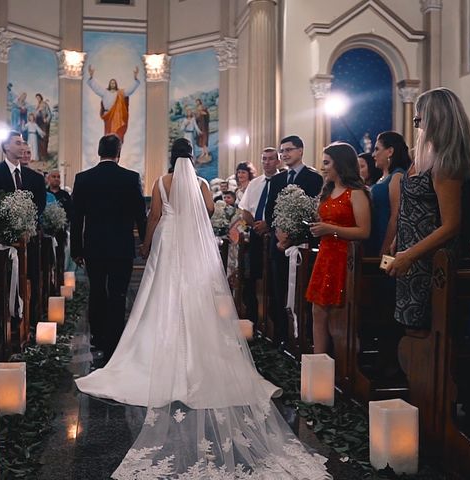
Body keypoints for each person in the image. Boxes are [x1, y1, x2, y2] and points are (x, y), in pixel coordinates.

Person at [76, 138, 330, 479]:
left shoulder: (162, 182)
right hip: (191, 246)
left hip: (168, 242)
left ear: (171, 157)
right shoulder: (200, 183)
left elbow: (152, 216)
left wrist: (148, 243)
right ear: (192, 157)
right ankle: (199, 349)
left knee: (160, 296)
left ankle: (150, 349)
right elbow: (209, 211)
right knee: (194, 294)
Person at [388, 88, 470, 335]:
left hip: (428, 260)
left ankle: (426, 375)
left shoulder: (446, 163)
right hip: (411, 255)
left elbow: (451, 225)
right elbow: (413, 205)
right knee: (410, 331)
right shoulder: (422, 157)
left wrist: (410, 255)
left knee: (423, 333)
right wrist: (399, 239)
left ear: (436, 119)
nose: (417, 125)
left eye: (419, 119)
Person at [70, 134, 147, 361]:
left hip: (94, 245)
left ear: (99, 152)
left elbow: (76, 218)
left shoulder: (83, 178)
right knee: (118, 293)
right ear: (119, 153)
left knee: (96, 290)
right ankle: (114, 341)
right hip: (121, 246)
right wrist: (145, 242)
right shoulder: (130, 178)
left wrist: (76, 249)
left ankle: (97, 338)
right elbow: (140, 215)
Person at [305, 142, 371, 354]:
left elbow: (363, 231)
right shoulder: (328, 191)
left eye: (326, 163)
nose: (323, 167)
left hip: (344, 258)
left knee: (338, 318)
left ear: (340, 164)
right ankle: (318, 367)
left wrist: (328, 228)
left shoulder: (356, 193)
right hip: (325, 256)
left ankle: (344, 371)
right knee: (318, 312)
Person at [268, 135, 323, 348]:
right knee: (278, 291)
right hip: (278, 245)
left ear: (300, 151)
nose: (285, 154)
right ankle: (281, 335)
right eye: (282, 151)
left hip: (302, 246)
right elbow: (269, 211)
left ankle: (302, 337)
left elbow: (312, 211)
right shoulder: (277, 179)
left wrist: (293, 236)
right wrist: (278, 234)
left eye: (289, 150)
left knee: (301, 292)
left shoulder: (313, 178)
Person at [238, 148, 281, 325]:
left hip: (275, 234)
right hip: (256, 234)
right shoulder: (255, 184)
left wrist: (268, 224)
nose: (267, 162)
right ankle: (252, 319)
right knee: (251, 276)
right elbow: (245, 208)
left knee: (273, 279)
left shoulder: (283, 181)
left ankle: (273, 318)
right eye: (264, 159)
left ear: (278, 161)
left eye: (271, 159)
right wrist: (255, 224)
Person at [366, 132, 411, 256]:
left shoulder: (397, 176)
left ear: (390, 151)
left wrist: (385, 248)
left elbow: (396, 215)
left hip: (385, 235)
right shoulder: (382, 177)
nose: (373, 154)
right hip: (374, 235)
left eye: (377, 149)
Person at [0, 130, 46, 215]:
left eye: (23, 143)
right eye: (18, 143)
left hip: (29, 226)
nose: (22, 147)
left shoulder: (36, 177)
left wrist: (27, 220)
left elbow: (40, 204)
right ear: (6, 146)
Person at [87, 65, 140, 142]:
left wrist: (135, 78)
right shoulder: (105, 92)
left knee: (117, 134)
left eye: (114, 83)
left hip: (117, 117)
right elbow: (96, 88)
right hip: (108, 115)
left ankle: (116, 149)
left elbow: (129, 90)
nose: (112, 84)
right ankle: (109, 149)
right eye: (111, 83)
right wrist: (91, 77)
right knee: (109, 134)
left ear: (116, 84)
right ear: (109, 84)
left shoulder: (120, 93)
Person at [35, 93, 51, 160]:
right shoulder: (37, 105)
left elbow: (49, 114)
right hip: (38, 122)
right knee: (39, 139)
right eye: (37, 98)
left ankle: (44, 154)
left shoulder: (44, 104)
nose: (38, 99)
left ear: (41, 97)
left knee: (44, 138)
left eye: (38, 97)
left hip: (44, 123)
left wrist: (46, 120)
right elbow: (36, 114)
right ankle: (40, 155)